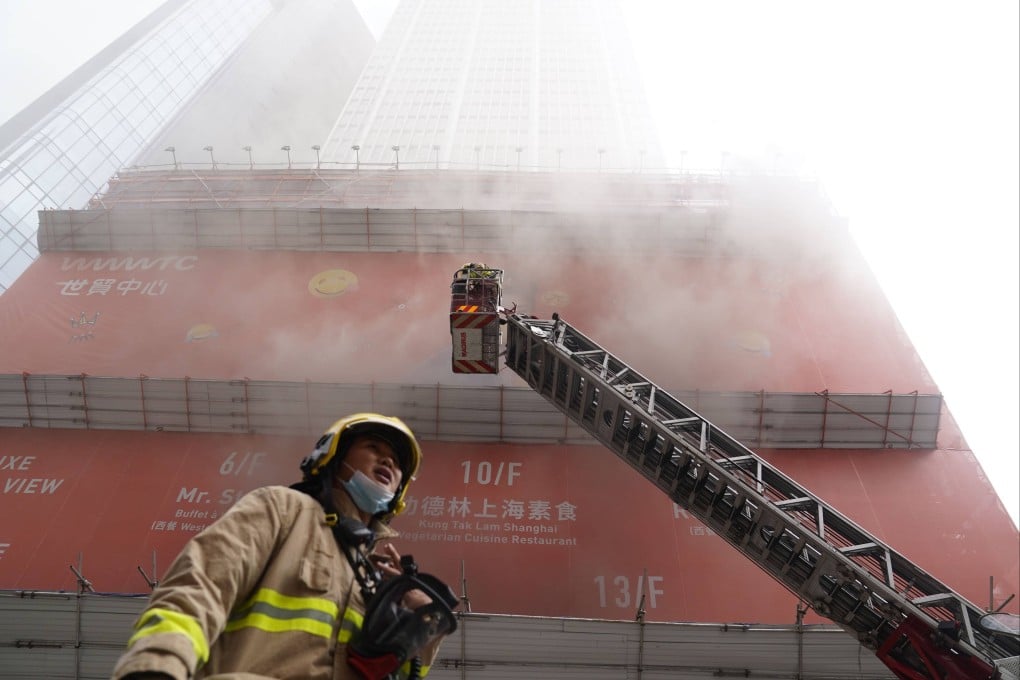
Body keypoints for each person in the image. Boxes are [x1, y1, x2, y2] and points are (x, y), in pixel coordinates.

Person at [111, 413, 458, 680]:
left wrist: (419, 625)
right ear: (333, 458)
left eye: (397, 463)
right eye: (374, 448)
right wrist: (157, 665)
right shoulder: (282, 509)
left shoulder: (374, 582)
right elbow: (200, 586)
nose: (388, 463)